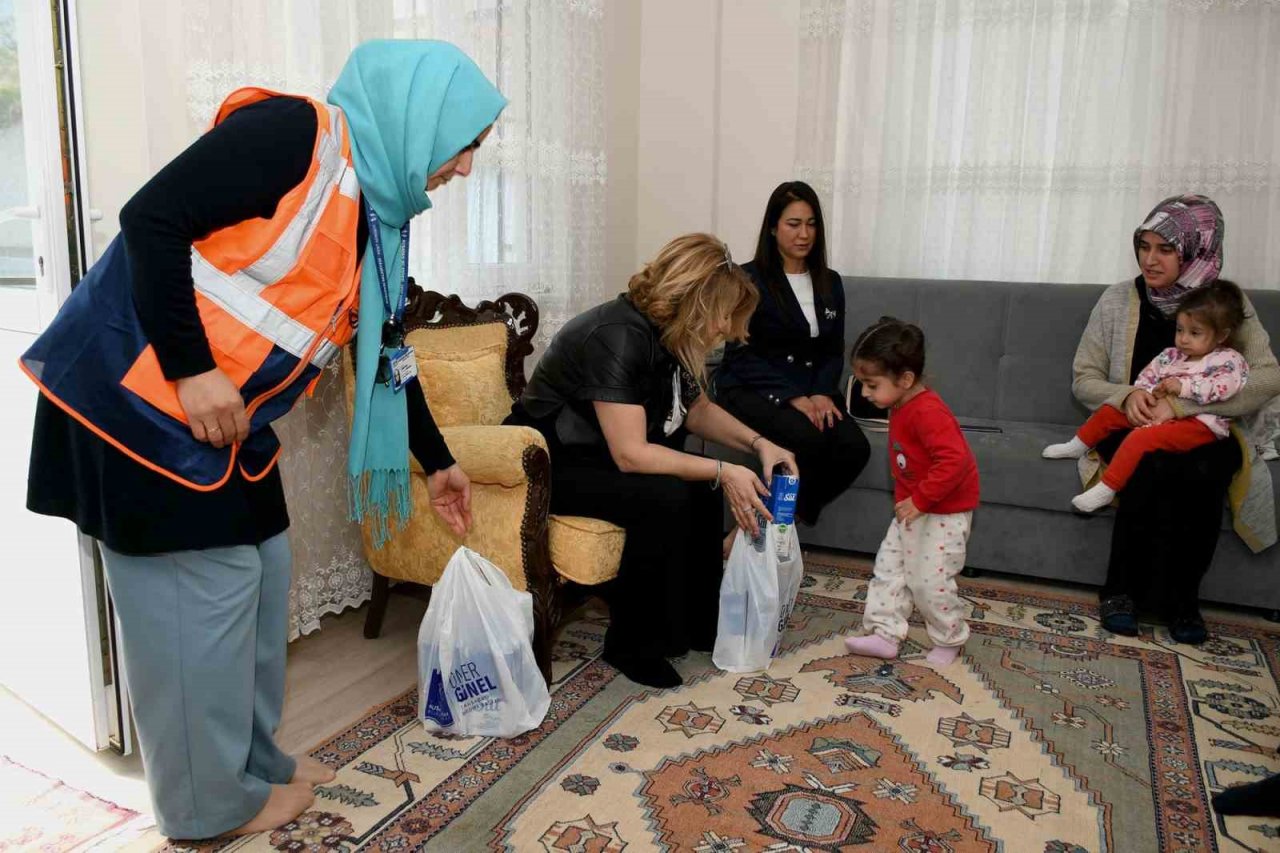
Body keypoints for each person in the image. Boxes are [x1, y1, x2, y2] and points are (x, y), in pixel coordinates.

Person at [19, 41, 503, 839]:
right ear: (423, 119)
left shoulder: (374, 217)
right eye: (467, 146)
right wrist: (192, 368)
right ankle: (207, 805)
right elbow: (151, 218)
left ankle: (249, 758)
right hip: (131, 399)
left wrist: (440, 461)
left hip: (217, 419)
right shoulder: (295, 134)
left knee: (265, 566)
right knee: (199, 595)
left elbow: (385, 357)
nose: (464, 170)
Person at [506, 234, 798, 689]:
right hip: (546, 463)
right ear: (698, 302)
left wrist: (759, 443)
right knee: (664, 495)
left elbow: (696, 410)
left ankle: (695, 625)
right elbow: (630, 454)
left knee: (701, 488)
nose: (726, 327)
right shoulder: (618, 336)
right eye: (723, 314)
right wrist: (726, 469)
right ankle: (631, 643)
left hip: (597, 452)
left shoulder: (668, 333)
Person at [1068, 194, 1279, 644]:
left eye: (1165, 249)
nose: (1150, 259)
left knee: (1200, 474)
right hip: (1134, 423)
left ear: (1196, 250)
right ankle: (1120, 593)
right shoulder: (1116, 300)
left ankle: (1183, 603)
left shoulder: (1227, 304)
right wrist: (1129, 396)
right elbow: (1084, 379)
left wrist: (1184, 407)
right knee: (1146, 465)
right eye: (1144, 246)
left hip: (1206, 426)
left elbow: (1265, 380)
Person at [713, 181, 869, 532]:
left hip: (811, 389)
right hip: (752, 386)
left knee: (854, 447)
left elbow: (832, 350)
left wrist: (820, 393)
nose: (804, 234)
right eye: (793, 224)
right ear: (773, 227)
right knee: (808, 439)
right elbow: (741, 355)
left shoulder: (830, 281)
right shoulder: (746, 278)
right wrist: (794, 397)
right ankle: (762, 528)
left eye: (811, 224)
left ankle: (774, 521)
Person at [841, 318, 980, 667]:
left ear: (905, 379)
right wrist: (912, 502)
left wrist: (921, 500)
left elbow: (955, 461)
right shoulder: (900, 405)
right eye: (862, 384)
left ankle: (949, 637)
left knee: (928, 579)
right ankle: (884, 634)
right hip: (913, 507)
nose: (864, 394)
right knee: (889, 569)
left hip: (942, 511)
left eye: (871, 385)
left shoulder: (928, 412)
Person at [1045, 281, 1250, 513]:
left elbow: (1225, 388)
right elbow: (1147, 376)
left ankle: (1107, 487)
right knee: (1110, 411)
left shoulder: (1228, 360)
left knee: (1140, 439)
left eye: (1195, 333)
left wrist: (1183, 388)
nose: (1183, 339)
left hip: (1199, 424)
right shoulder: (1170, 355)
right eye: (1180, 329)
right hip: (1159, 412)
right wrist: (1144, 394)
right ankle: (1077, 445)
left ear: (1221, 335)